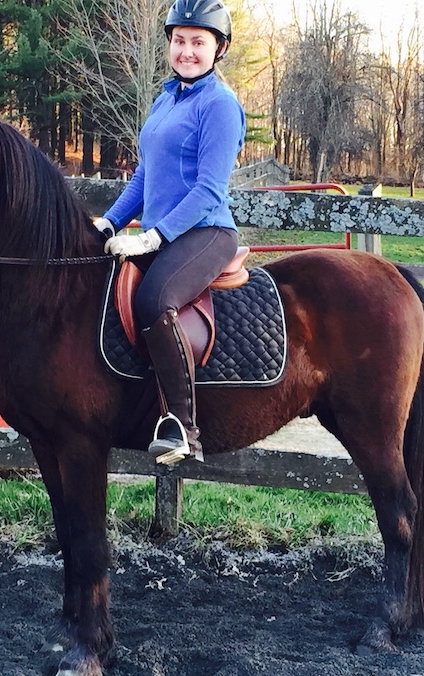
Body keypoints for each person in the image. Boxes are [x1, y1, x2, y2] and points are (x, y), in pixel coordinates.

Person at [94, 0, 246, 465]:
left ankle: (183, 427)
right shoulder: (166, 99)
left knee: (154, 301)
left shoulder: (220, 106)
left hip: (205, 232)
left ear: (218, 49)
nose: (186, 51)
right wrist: (110, 221)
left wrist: (154, 237)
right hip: (160, 231)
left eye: (198, 42)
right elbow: (145, 175)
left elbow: (207, 190)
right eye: (179, 40)